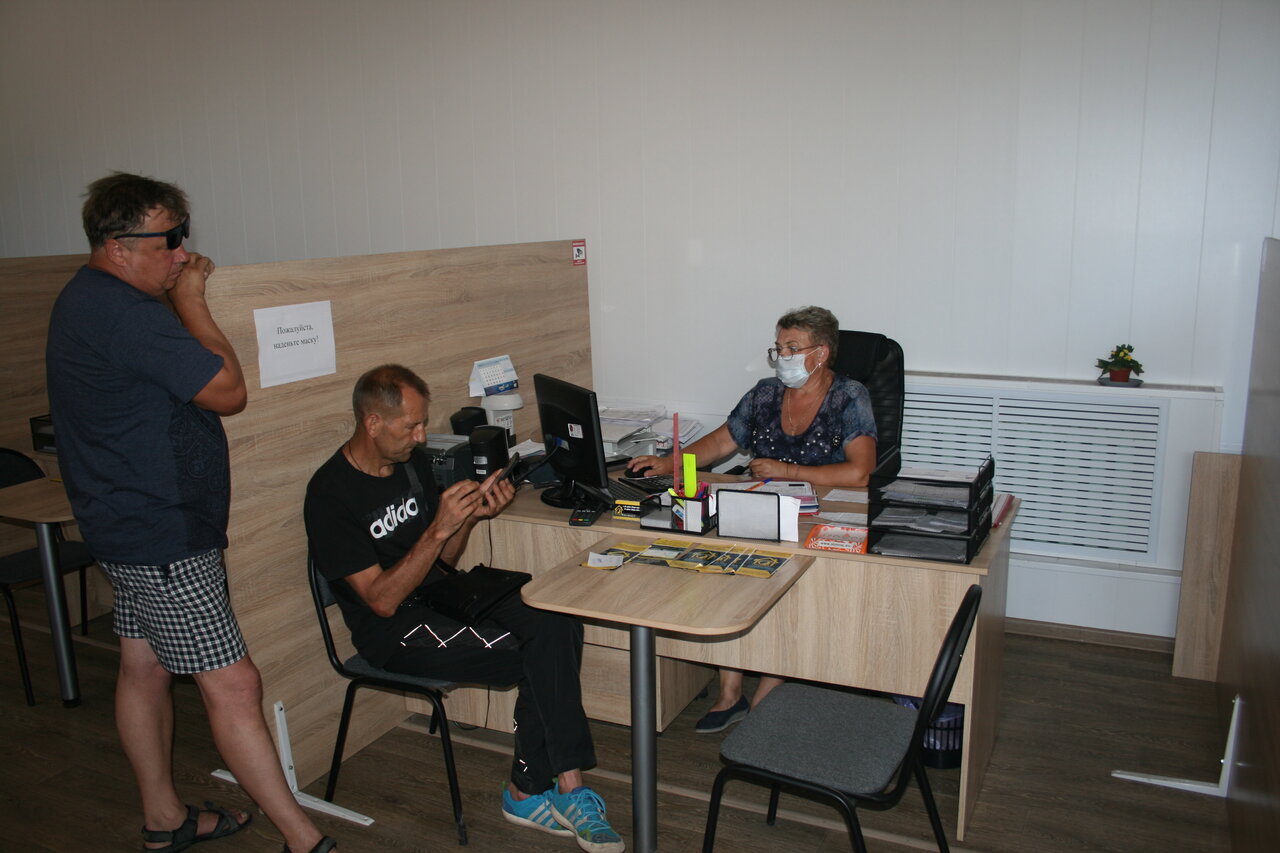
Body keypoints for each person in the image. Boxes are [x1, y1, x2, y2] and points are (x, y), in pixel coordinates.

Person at [46, 173, 336, 853]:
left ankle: (164, 818)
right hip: (161, 533)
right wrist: (192, 300)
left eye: (183, 236)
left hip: (126, 523)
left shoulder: (90, 298)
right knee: (233, 683)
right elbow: (228, 390)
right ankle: (303, 839)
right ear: (118, 246)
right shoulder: (127, 313)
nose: (182, 253)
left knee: (144, 668)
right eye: (167, 242)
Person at [304, 365, 624, 853]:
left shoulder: (409, 463)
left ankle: (545, 787)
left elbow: (443, 562)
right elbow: (382, 601)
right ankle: (550, 789)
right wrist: (438, 527)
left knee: (556, 620)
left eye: (421, 424)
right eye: (411, 426)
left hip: (443, 594)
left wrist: (469, 519)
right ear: (372, 423)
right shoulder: (330, 495)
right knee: (537, 654)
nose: (420, 436)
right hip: (391, 631)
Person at [627, 305, 877, 733]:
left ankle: (768, 689)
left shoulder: (849, 397)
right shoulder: (764, 394)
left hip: (818, 517)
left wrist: (790, 471)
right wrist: (671, 463)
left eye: (792, 348)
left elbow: (860, 473)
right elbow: (722, 441)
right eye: (778, 348)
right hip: (759, 509)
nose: (782, 357)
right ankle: (730, 692)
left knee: (789, 588)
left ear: (821, 353)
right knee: (725, 575)